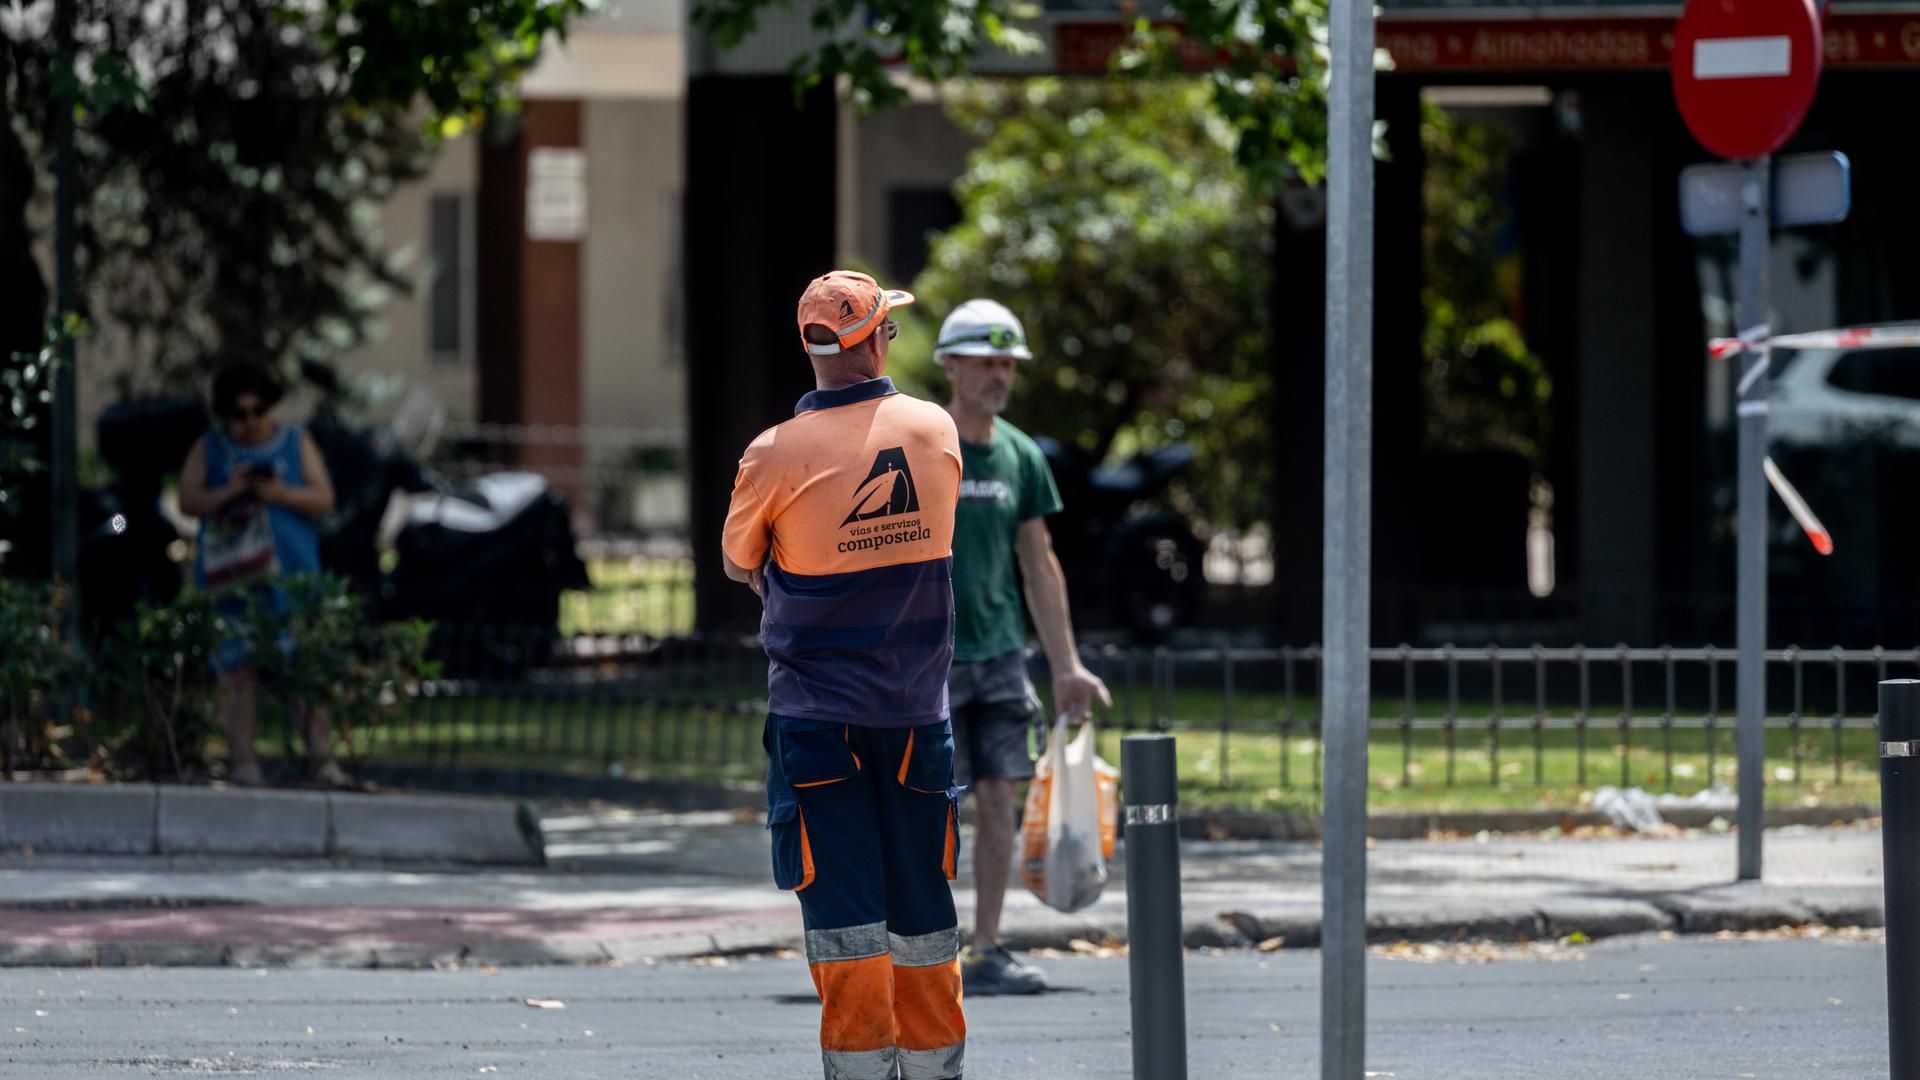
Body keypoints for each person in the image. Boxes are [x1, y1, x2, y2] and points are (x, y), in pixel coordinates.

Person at [723, 270, 968, 1080]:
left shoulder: (771, 454)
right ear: (874, 338)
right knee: (923, 911)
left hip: (815, 721)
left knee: (843, 913)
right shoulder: (936, 431)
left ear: (813, 345)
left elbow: (740, 563)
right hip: (914, 719)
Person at [935, 298, 1112, 996]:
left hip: (1002, 655)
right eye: (986, 361)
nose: (998, 375)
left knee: (1000, 801)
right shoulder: (923, 443)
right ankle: (924, 950)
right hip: (931, 657)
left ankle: (984, 947)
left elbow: (1039, 563)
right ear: (950, 364)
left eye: (1007, 363)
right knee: (928, 806)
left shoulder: (1019, 454)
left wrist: (1066, 665)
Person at [177, 361, 347, 789]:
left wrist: (280, 493)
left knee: (307, 665)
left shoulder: (295, 442)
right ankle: (244, 761)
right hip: (235, 580)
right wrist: (230, 490)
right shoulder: (212, 447)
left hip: (293, 574)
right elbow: (188, 500)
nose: (250, 423)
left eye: (258, 412)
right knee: (236, 667)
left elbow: (325, 497)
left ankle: (320, 757)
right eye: (240, 414)